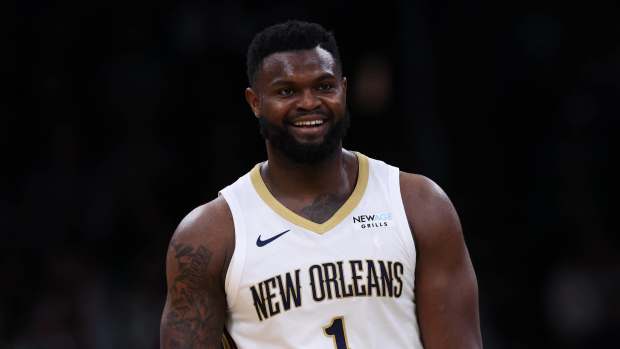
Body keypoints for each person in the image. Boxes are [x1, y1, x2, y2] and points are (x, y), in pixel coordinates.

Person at [160, 20, 482, 348]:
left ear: (343, 88)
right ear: (255, 102)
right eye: (287, 91)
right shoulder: (211, 234)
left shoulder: (419, 204)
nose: (309, 102)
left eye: (324, 86)